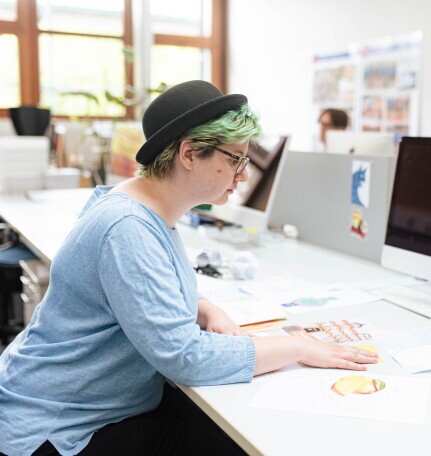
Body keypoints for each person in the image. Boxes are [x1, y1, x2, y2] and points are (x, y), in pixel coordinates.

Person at [0, 80, 377, 456]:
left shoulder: (141, 205)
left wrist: (204, 308)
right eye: (235, 159)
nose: (243, 174)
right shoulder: (127, 227)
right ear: (190, 153)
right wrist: (297, 347)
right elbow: (185, 357)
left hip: (85, 405)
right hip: (57, 428)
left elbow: (140, 291)